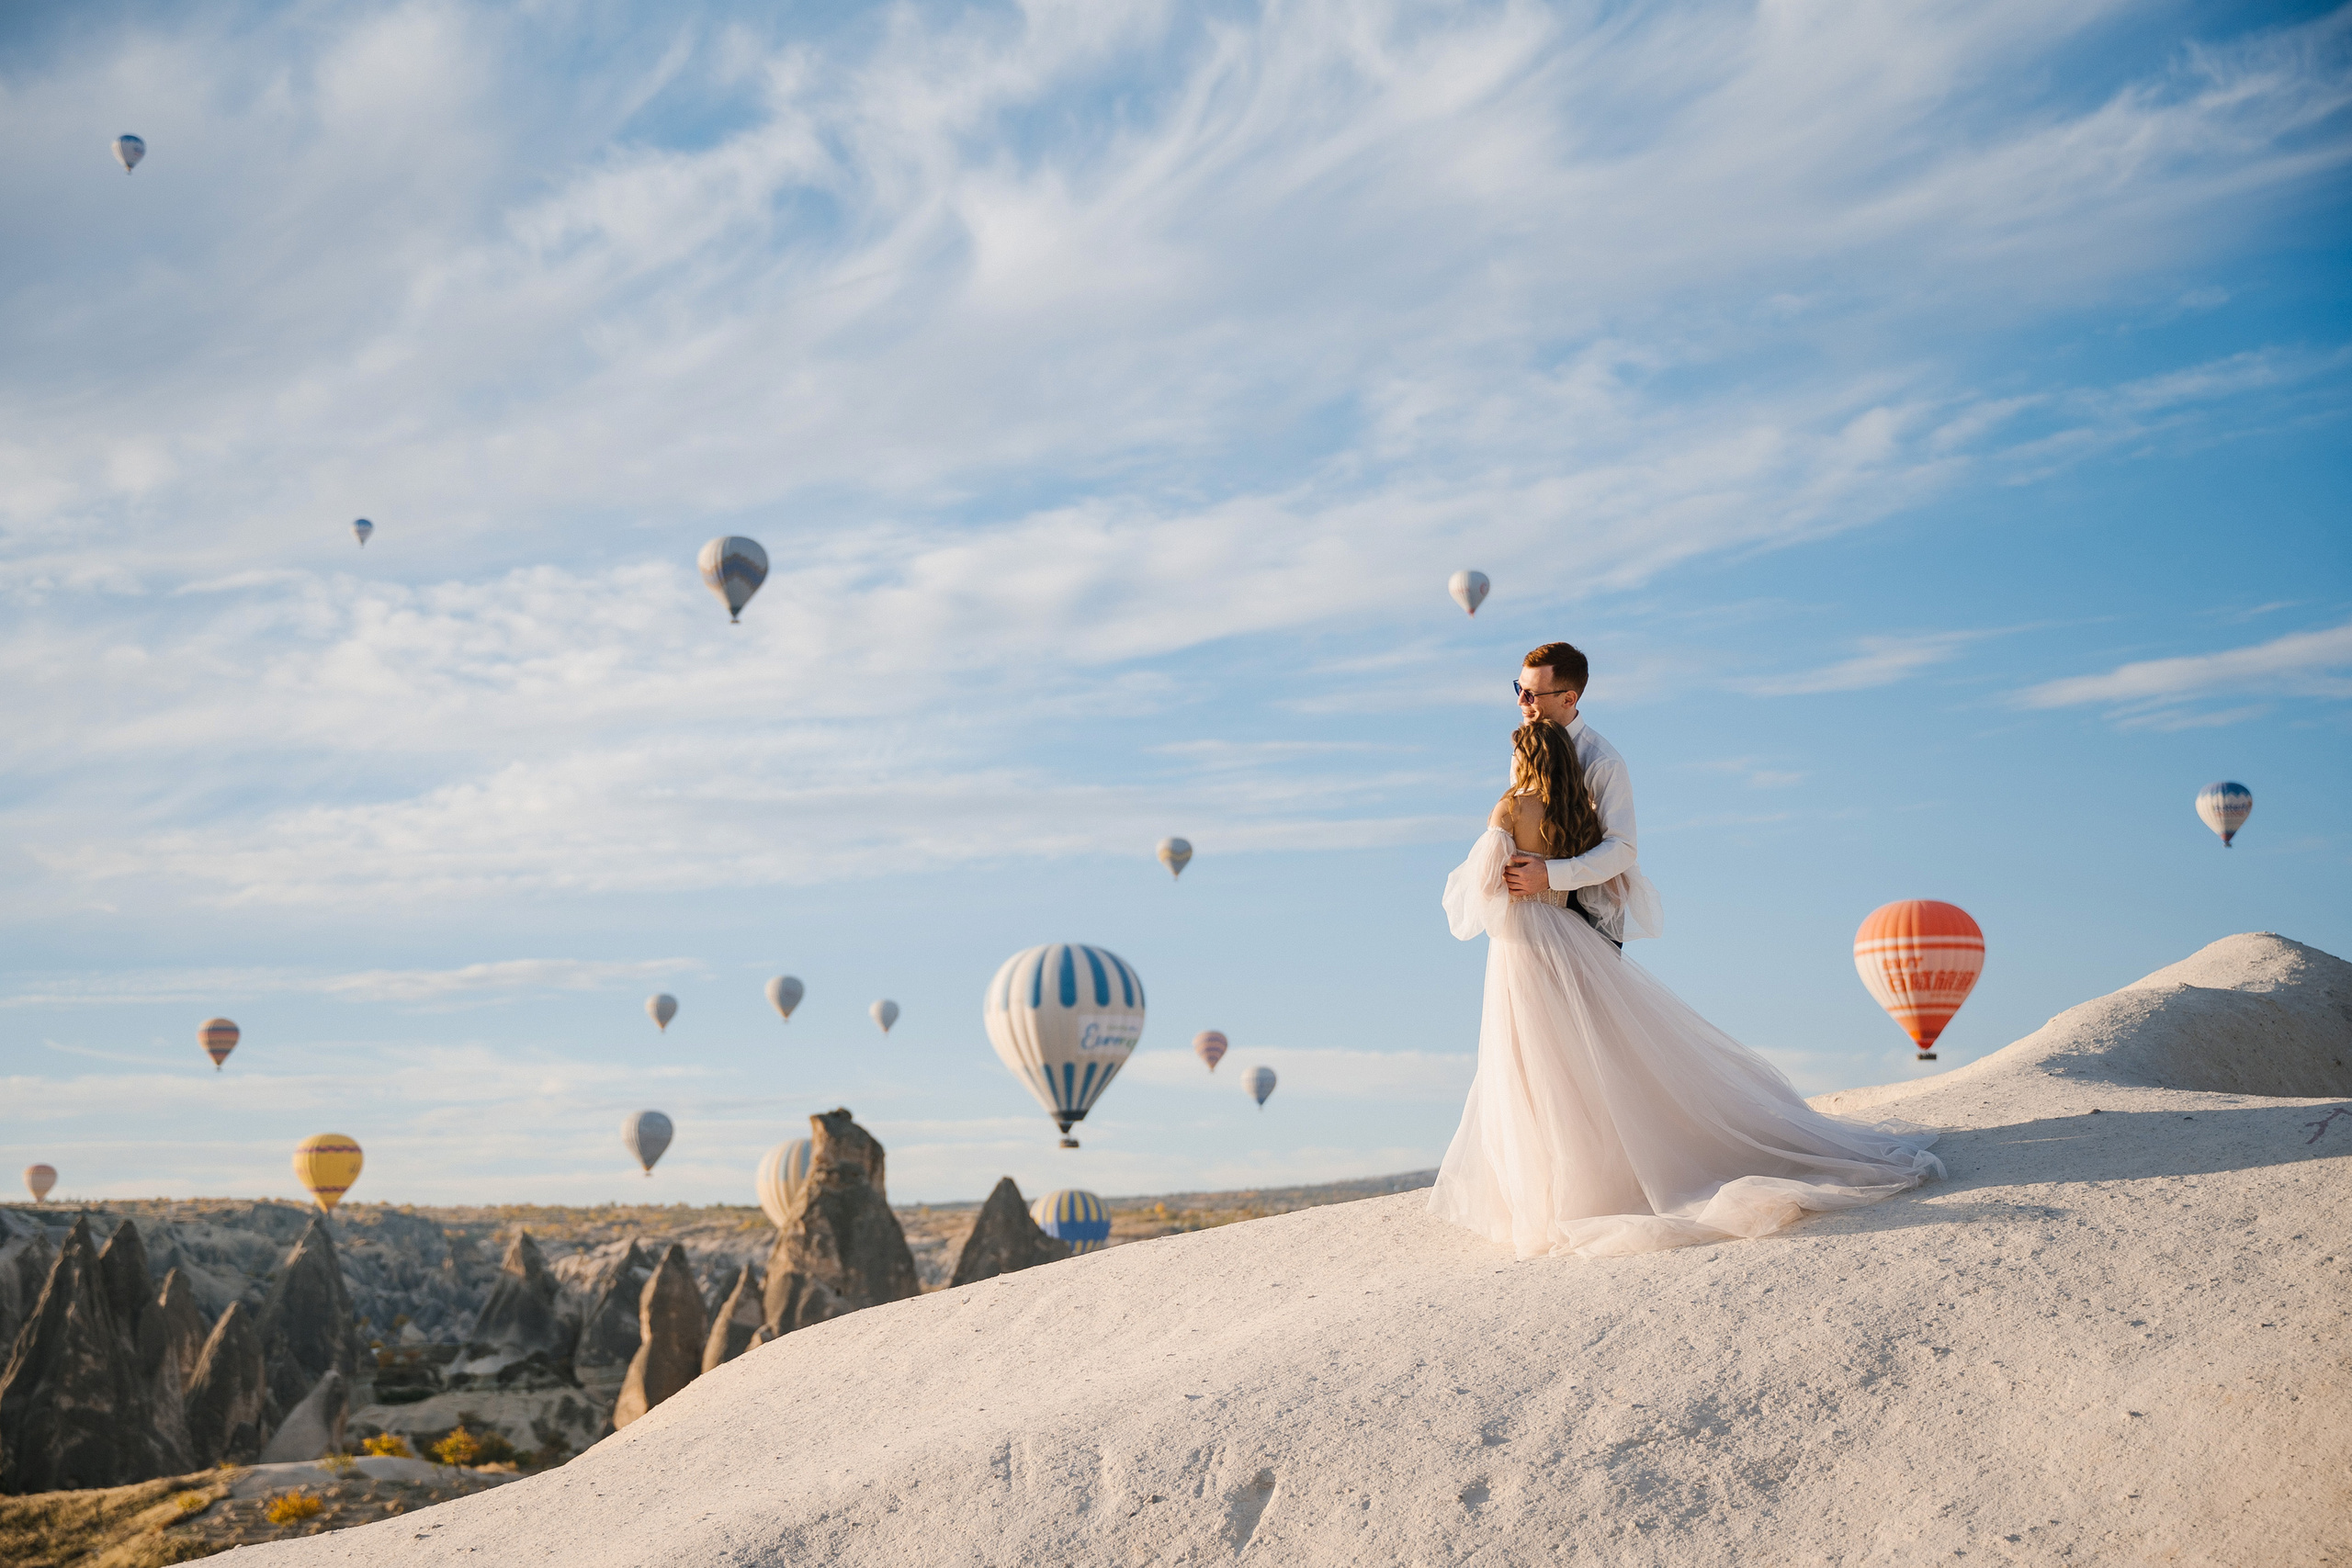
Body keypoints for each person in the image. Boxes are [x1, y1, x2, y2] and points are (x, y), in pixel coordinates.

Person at [1429, 642, 1943, 1258]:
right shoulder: (1530, 751)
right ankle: (1562, 1183)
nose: (1521, 702)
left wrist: (1548, 875)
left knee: (1599, 1058)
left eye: (1533, 693)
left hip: (1586, 923)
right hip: (1540, 928)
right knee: (1549, 1062)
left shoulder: (1604, 760)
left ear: (1570, 697)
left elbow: (1622, 850)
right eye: (1517, 688)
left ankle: (1634, 1172)